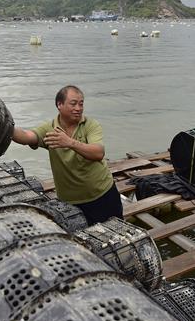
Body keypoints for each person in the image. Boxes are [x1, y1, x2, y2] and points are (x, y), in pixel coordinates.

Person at [11, 85, 122, 224]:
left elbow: (98, 152)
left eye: (81, 104)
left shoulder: (90, 125)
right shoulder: (50, 128)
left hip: (102, 195)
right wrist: (8, 127)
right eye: (73, 103)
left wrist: (70, 142)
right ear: (59, 104)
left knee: (116, 234)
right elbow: (27, 137)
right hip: (70, 202)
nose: (78, 108)